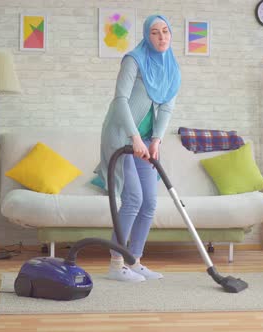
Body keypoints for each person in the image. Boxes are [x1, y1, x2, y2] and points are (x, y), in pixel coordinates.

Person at [96, 14, 181, 282]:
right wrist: (133, 137)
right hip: (122, 135)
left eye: (165, 31)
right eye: (155, 32)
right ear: (146, 35)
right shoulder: (133, 60)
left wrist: (156, 139)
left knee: (150, 202)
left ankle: (135, 261)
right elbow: (120, 100)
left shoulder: (171, 67)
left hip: (145, 140)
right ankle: (116, 264)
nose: (161, 37)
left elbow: (167, 107)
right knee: (133, 198)